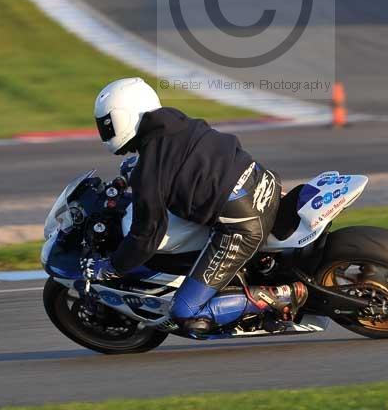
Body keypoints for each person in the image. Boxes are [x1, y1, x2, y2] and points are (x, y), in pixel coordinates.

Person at [89, 77, 307, 337]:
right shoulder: (176, 123)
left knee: (185, 312)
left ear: (123, 117)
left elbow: (146, 237)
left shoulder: (150, 172)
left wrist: (114, 266)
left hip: (243, 224)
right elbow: (175, 162)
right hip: (264, 183)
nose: (106, 131)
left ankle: (279, 295)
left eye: (107, 124)